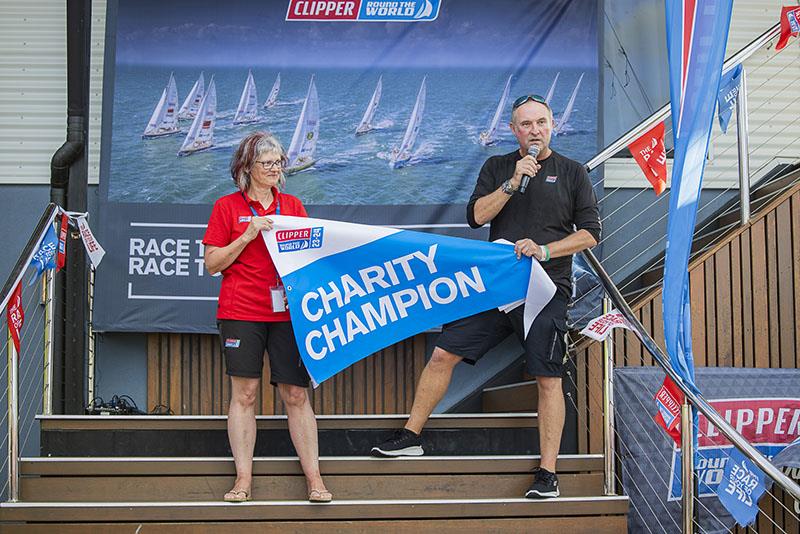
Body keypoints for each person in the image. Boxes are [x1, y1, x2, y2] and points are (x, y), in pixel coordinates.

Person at [371, 94, 601, 499]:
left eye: (542, 123)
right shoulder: (498, 167)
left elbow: (590, 234)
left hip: (546, 288)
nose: (535, 130)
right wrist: (513, 182)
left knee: (547, 378)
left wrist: (546, 251)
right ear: (513, 130)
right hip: (495, 286)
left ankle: (548, 473)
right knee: (443, 353)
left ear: (553, 126)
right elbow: (477, 216)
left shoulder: (573, 171)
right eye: (526, 124)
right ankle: (411, 436)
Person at [203, 131, 332, 503]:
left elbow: (310, 256)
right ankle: (243, 481)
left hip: (288, 315)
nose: (276, 168)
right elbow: (213, 264)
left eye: (279, 162)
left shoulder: (292, 205)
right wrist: (246, 235)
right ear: (247, 168)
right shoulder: (226, 207)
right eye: (268, 163)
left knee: (295, 392)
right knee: (245, 393)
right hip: (241, 310)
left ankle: (315, 481)